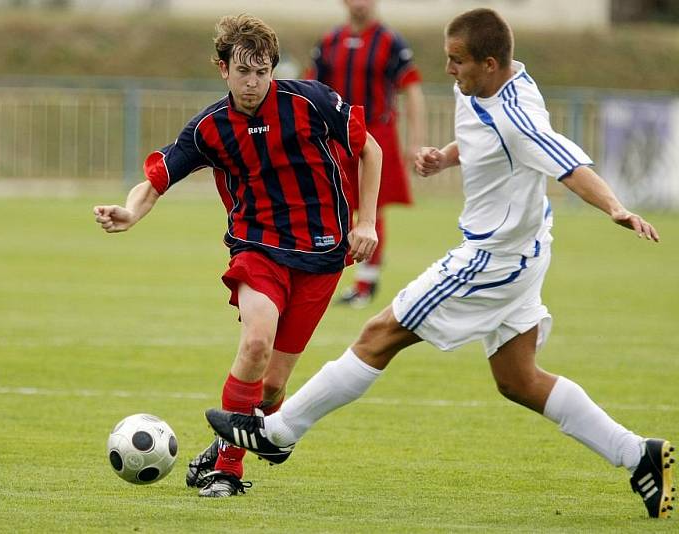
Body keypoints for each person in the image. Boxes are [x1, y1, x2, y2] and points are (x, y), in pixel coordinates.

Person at [205, 8, 676, 518]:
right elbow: (484, 136)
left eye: (457, 61)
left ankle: (276, 432)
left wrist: (616, 208)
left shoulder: (519, 115)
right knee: (518, 379)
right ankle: (639, 455)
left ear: (490, 63)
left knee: (378, 335)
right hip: (524, 252)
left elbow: (569, 163)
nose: (448, 70)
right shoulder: (484, 87)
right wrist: (448, 157)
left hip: (489, 259)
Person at [93, 14, 382, 498]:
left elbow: (369, 149)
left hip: (321, 254)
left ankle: (230, 442)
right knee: (255, 344)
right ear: (222, 69)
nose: (253, 82)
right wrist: (131, 212)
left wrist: (367, 221)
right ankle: (226, 470)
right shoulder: (210, 128)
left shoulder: (309, 101)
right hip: (257, 250)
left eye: (261, 71)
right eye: (243, 71)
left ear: (272, 69)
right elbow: (158, 178)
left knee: (271, 390)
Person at [306, 0, 426, 308]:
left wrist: (417, 141)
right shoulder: (330, 41)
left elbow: (412, 89)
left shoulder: (390, 42)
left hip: (377, 133)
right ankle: (330, 276)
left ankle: (365, 283)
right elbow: (309, 86)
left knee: (373, 209)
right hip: (337, 134)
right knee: (333, 207)